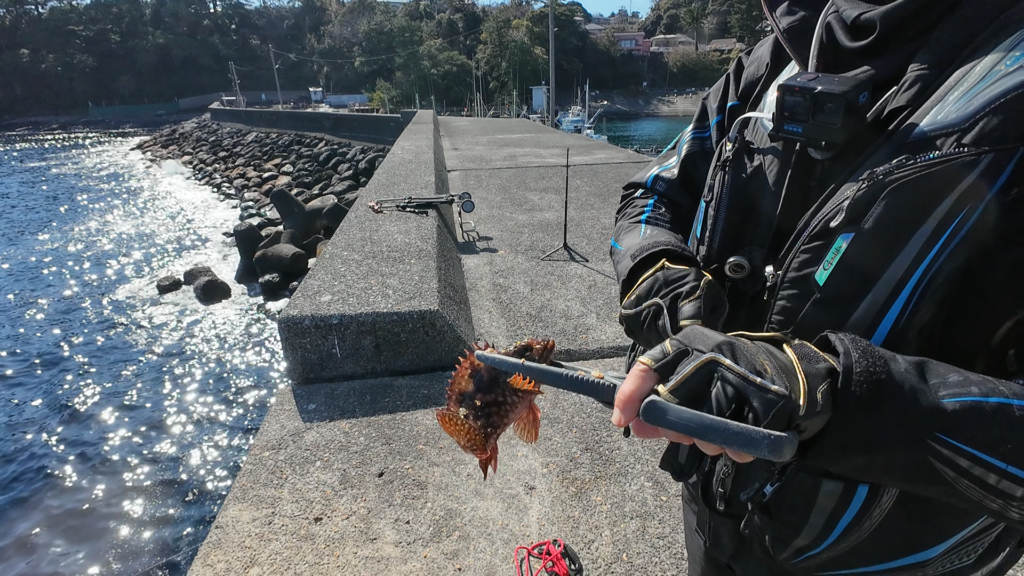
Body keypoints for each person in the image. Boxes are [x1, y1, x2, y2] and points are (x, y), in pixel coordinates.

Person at [608, 0, 1024, 574]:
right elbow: (651, 193)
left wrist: (835, 394)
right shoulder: (772, 56)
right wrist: (657, 274)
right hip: (712, 516)